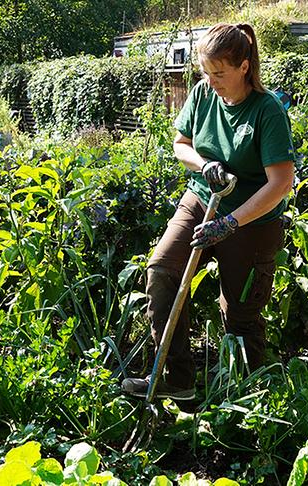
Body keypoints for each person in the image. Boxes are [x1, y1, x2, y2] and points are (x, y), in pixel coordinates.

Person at [122, 23, 295, 401]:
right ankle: (176, 379)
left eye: (219, 73)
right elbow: (180, 144)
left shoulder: (267, 112)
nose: (210, 80)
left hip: (252, 220)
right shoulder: (202, 95)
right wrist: (204, 165)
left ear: (244, 67)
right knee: (163, 271)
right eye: (205, 71)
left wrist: (230, 223)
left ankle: (249, 399)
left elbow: (280, 183)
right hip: (201, 200)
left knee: (239, 315)